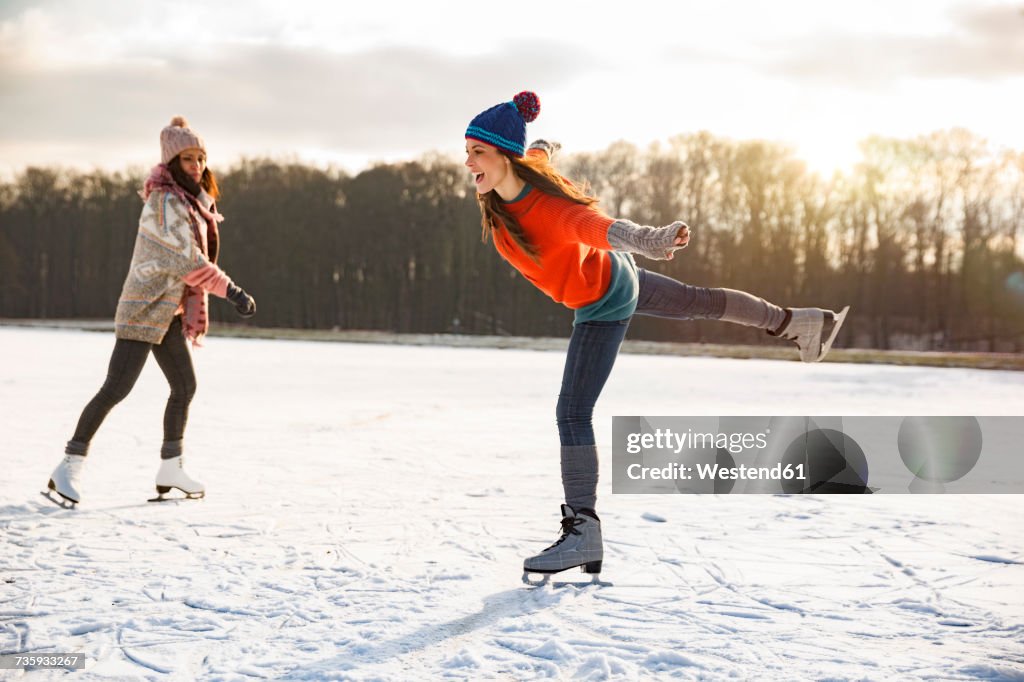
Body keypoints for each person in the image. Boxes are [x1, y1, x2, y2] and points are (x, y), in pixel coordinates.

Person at [464, 92, 849, 583]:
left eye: (478, 152)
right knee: (697, 302)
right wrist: (542, 143)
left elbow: (598, 227)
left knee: (571, 413)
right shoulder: (513, 183)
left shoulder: (549, 209)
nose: (470, 164)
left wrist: (649, 239)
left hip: (603, 294)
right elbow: (537, 153)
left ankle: (583, 529)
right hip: (614, 276)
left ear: (502, 156)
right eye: (468, 153)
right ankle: (801, 323)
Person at [44, 117, 257, 508]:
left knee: (184, 386)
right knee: (116, 387)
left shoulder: (192, 203)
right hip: (144, 308)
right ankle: (68, 466)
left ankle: (170, 467)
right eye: (188, 158)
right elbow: (186, 260)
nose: (196, 166)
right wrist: (232, 290)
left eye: (201, 158)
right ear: (172, 162)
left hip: (168, 312)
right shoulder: (164, 203)